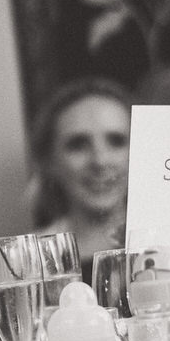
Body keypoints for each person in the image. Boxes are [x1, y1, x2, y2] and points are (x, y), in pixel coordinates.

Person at [28, 77, 134, 282]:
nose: (100, 160)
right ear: (49, 161)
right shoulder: (29, 264)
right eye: (78, 144)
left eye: (117, 141)